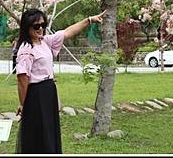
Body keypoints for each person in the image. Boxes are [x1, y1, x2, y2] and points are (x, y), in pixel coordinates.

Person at [15, 8, 105, 154]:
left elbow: (67, 32)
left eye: (43, 25)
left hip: (48, 91)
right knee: (39, 132)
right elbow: (22, 79)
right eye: (36, 26)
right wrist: (23, 104)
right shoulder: (26, 49)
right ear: (27, 27)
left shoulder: (45, 41)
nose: (41, 29)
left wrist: (89, 20)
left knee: (49, 130)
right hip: (36, 94)